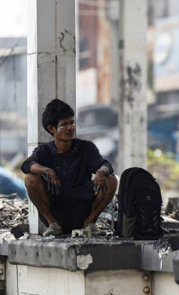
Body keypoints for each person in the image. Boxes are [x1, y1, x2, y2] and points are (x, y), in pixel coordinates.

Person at [21, 98, 117, 237]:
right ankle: (54, 225)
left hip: (82, 209)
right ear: (52, 129)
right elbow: (26, 165)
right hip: (57, 209)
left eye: (71, 123)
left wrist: (101, 172)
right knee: (30, 178)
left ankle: (89, 225)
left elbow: (105, 165)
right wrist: (46, 170)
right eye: (64, 124)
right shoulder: (43, 151)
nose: (70, 127)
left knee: (111, 180)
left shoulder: (86, 148)